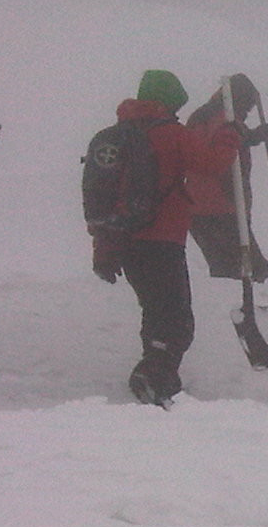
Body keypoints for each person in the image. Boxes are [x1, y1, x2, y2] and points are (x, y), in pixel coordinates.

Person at [89, 70, 242, 405]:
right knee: (175, 316)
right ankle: (154, 375)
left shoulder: (117, 136)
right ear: (168, 102)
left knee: (155, 309)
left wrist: (103, 246)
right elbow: (212, 164)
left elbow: (106, 193)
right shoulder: (172, 134)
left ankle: (157, 370)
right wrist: (229, 137)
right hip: (163, 238)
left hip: (123, 239)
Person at [185, 74, 268, 281]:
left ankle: (232, 310)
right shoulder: (222, 119)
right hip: (219, 210)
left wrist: (253, 136)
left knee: (226, 271)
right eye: (247, 106)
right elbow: (220, 148)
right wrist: (252, 136)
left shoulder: (207, 117)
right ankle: (248, 310)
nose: (247, 112)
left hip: (199, 210)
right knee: (255, 273)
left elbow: (230, 138)